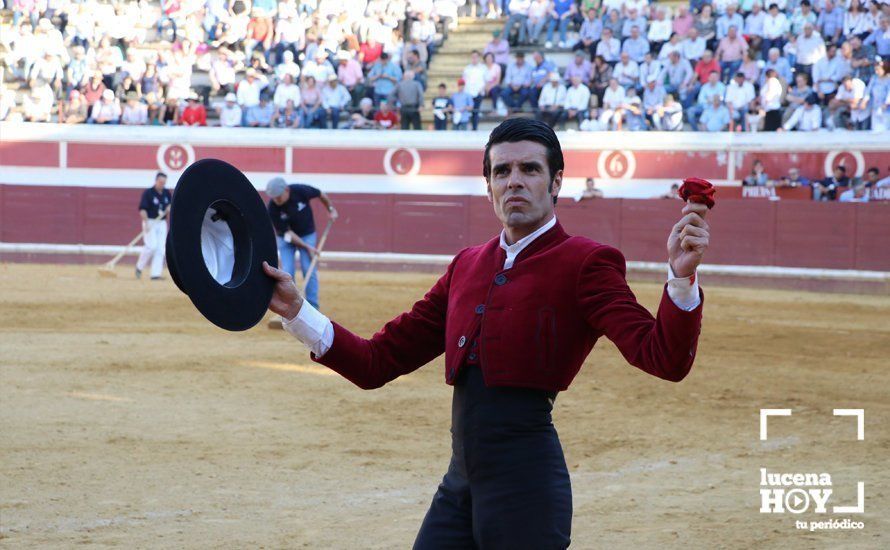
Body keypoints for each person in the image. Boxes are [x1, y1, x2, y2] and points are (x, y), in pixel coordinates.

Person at [262, 118, 708, 548]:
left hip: (527, 494)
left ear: (556, 183)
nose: (514, 181)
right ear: (488, 186)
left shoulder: (587, 263)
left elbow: (664, 358)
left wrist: (680, 279)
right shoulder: (467, 265)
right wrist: (297, 311)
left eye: (530, 169)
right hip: (459, 488)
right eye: (502, 171)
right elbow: (376, 362)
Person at [265, 177, 338, 310]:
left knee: (308, 268)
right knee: (286, 272)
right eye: (274, 197)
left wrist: (330, 209)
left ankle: (313, 307)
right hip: (286, 239)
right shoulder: (272, 208)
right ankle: (289, 307)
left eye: (279, 197)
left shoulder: (300, 190)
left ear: (286, 190)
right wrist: (308, 247)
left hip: (307, 234)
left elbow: (320, 194)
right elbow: (288, 234)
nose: (276, 200)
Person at [136, 172, 171, 280]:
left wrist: (170, 208)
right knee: (151, 246)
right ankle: (139, 267)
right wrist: (146, 223)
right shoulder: (148, 193)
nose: (162, 184)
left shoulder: (166, 193)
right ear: (156, 181)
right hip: (150, 221)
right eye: (160, 182)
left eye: (164, 183)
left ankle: (155, 274)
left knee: (160, 249)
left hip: (161, 223)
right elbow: (142, 209)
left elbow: (170, 204)